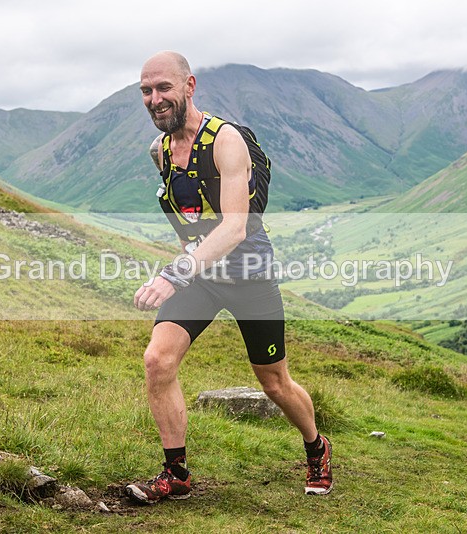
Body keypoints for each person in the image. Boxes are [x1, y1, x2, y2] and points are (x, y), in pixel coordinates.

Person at [125, 51, 332, 504]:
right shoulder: (160, 151)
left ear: (189, 86)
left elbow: (235, 227)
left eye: (164, 88)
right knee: (158, 360)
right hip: (202, 277)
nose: (155, 99)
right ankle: (176, 474)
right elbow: (188, 215)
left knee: (274, 383)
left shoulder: (226, 141)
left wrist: (175, 273)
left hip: (248, 276)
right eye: (146, 91)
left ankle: (316, 447)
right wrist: (188, 262)